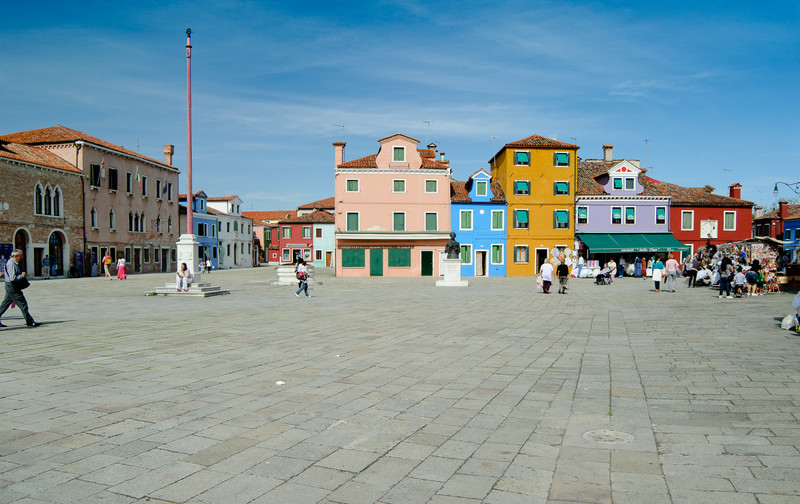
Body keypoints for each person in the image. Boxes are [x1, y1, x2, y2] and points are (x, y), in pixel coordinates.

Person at [0, 249, 40, 327]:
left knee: (5, 304)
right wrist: (22, 275)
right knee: (23, 303)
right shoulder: (11, 264)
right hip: (12, 286)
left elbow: (9, 274)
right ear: (16, 256)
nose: (21, 258)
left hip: (10, 286)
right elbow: (12, 278)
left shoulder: (12, 263)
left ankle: (29, 320)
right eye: (21, 256)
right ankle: (30, 321)